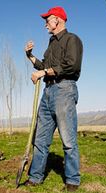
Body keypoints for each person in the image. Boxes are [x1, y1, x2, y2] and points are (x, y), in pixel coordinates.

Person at [24, 6, 83, 192]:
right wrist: (30, 56)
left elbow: (71, 65)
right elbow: (44, 66)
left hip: (64, 90)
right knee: (40, 140)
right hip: (48, 92)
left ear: (58, 20)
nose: (45, 25)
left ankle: (72, 180)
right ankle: (35, 178)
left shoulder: (72, 39)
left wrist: (43, 72)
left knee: (68, 139)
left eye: (47, 20)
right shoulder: (51, 44)